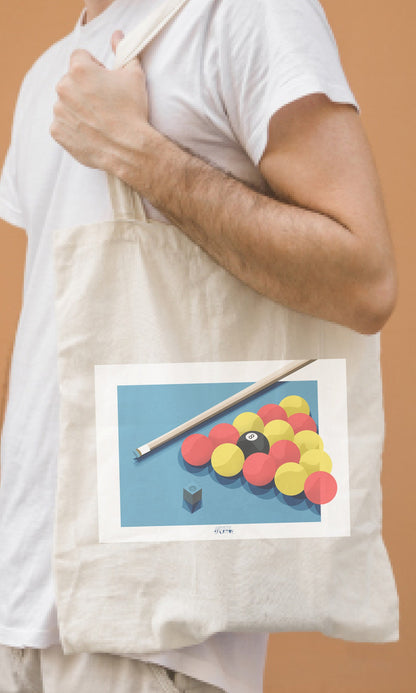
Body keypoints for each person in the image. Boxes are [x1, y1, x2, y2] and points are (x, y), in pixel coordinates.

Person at [0, 0, 397, 691]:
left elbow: (365, 281)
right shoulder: (45, 76)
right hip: (17, 607)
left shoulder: (247, 14)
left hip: (151, 632)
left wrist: (137, 150)